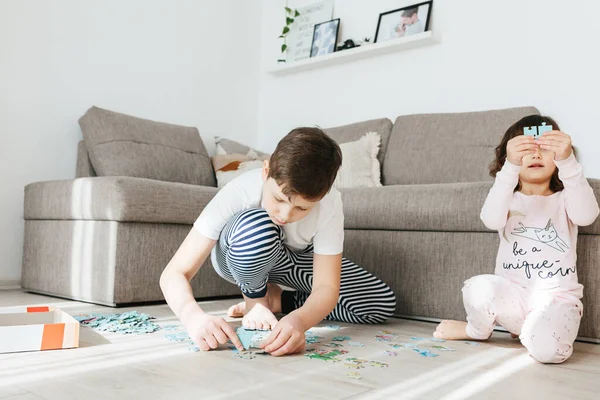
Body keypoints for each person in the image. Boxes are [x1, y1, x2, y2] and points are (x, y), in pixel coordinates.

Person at [160, 127, 397, 356]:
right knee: (259, 227)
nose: (285, 216)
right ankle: (256, 301)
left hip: (288, 261)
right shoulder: (240, 191)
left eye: (302, 208)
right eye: (279, 199)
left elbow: (327, 287)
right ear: (266, 172)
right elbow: (174, 272)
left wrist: (299, 320)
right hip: (239, 250)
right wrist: (193, 318)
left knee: (380, 302)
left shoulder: (330, 204)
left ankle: (278, 301)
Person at [434, 115, 599, 363]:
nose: (535, 155)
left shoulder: (566, 198)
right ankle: (476, 331)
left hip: (556, 300)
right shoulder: (507, 199)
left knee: (548, 353)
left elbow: (587, 216)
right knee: (477, 287)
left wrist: (568, 163)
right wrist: (509, 167)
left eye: (544, 148)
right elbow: (490, 220)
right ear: (507, 160)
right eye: (526, 149)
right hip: (513, 296)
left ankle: (530, 330)